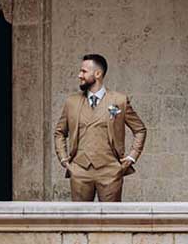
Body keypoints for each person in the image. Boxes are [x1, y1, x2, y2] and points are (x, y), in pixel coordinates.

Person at [53, 53, 147, 202]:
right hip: (80, 171)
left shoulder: (119, 100)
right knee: (80, 223)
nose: (79, 75)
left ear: (97, 74)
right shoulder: (72, 102)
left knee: (112, 221)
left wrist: (132, 157)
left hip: (110, 171)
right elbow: (59, 132)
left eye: (84, 71)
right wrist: (64, 160)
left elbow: (140, 129)